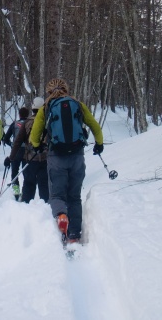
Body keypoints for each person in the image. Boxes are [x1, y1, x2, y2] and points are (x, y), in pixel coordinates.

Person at [29, 78, 103, 244]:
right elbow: (94, 126)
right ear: (66, 89)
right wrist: (99, 144)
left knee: (57, 195)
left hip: (56, 156)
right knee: (75, 196)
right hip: (77, 156)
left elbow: (34, 135)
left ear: (49, 92)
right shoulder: (77, 104)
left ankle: (62, 216)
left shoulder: (46, 107)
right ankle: (74, 236)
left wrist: (36, 146)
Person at [8, 97, 49, 203]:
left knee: (29, 184)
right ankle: (46, 208)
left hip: (30, 160)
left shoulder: (27, 122)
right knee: (44, 185)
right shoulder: (48, 122)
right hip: (45, 160)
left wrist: (11, 157)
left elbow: (17, 141)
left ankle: (26, 206)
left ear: (33, 108)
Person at [3, 107, 29, 199]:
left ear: (19, 114)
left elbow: (6, 138)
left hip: (16, 150)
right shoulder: (30, 123)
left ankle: (16, 191)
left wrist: (12, 144)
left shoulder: (14, 124)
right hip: (28, 151)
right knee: (26, 172)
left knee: (14, 171)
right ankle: (26, 192)